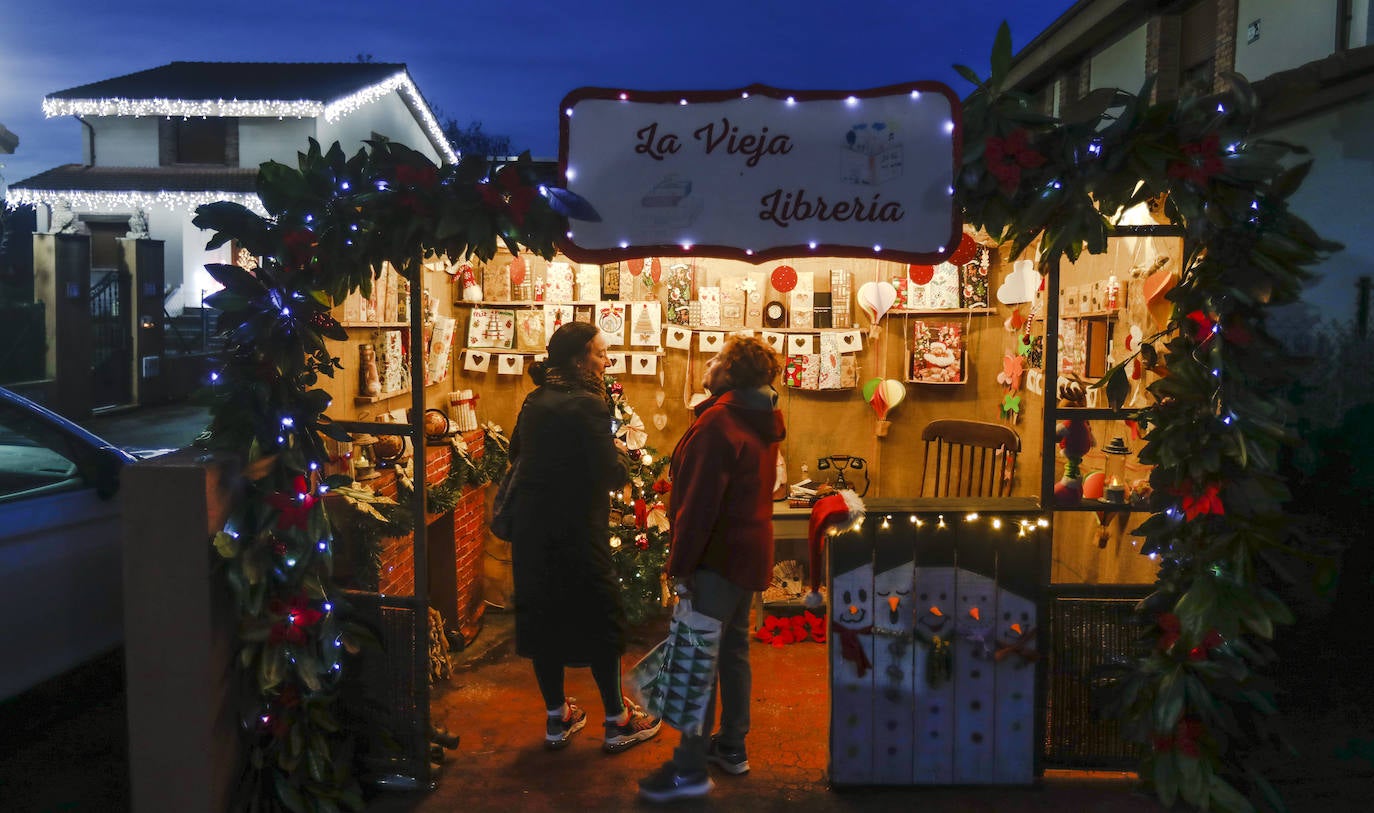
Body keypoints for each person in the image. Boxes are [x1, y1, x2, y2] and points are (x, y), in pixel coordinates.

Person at [638, 334, 786, 802]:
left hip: (717, 557)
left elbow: (698, 507)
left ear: (731, 373)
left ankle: (688, 764)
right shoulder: (760, 418)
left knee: (696, 657)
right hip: (748, 553)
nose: (710, 361)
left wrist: (679, 565)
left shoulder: (718, 422)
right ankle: (733, 747)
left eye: (719, 357)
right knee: (733, 651)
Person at [506, 321, 662, 753]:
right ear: (580, 360)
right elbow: (609, 471)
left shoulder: (536, 399)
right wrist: (626, 460)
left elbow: (515, 453)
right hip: (577, 531)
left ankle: (557, 718)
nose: (607, 360)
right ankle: (618, 719)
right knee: (599, 619)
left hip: (532, 532)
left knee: (543, 618)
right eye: (601, 352)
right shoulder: (591, 406)